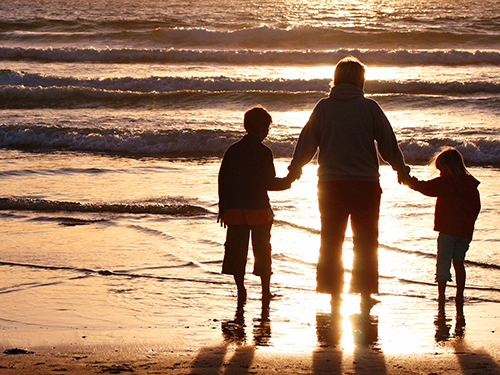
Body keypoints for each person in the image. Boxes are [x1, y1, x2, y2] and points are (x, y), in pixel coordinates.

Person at [287, 56, 410, 306]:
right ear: (360, 80)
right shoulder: (370, 108)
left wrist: (294, 169)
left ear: (337, 79)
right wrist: (401, 169)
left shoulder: (323, 107)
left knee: (331, 239)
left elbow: (307, 142)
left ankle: (334, 293)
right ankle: (365, 294)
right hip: (365, 183)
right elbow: (388, 143)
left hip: (331, 185)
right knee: (366, 241)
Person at [218, 105, 293, 306]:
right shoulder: (264, 152)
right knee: (262, 250)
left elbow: (222, 180)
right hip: (258, 209)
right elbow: (268, 183)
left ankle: (241, 289)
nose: (268, 132)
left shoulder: (232, 150)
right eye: (267, 128)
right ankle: (265, 291)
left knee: (236, 251)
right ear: (262, 128)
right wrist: (289, 180)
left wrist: (222, 208)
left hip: (233, 209)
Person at [405, 147, 480, 322]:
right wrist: (469, 223)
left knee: (443, 262)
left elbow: (425, 188)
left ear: (447, 167)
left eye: (441, 170)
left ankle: (441, 297)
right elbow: (477, 207)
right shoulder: (470, 183)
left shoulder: (447, 181)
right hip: (465, 231)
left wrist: (408, 180)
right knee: (459, 262)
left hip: (447, 229)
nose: (440, 174)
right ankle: (459, 295)